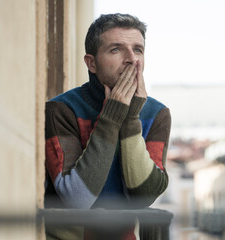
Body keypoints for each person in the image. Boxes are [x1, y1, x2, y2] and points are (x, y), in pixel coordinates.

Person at [44, 13, 171, 239]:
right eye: (116, 49)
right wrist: (111, 119)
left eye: (138, 50)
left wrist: (131, 120)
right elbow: (77, 199)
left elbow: (145, 195)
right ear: (91, 63)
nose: (132, 59)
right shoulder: (61, 110)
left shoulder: (157, 114)